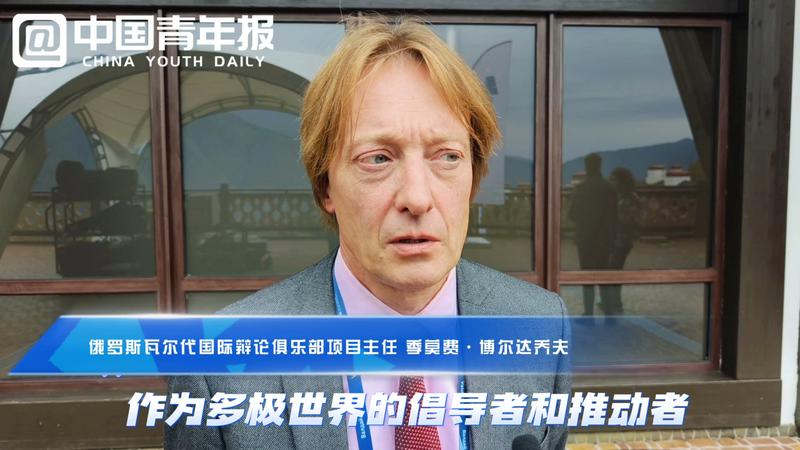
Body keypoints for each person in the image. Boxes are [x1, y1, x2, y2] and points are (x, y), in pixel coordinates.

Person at [166, 14, 571, 450]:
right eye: (378, 158)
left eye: (447, 156)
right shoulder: (219, 365)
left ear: (474, 176)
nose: (417, 198)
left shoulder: (541, 326)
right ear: (325, 186)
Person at [567, 153, 617, 316]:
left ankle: (588, 313)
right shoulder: (609, 188)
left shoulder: (582, 188)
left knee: (587, 277)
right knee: (604, 276)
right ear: (600, 165)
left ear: (587, 166)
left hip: (585, 239)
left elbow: (572, 214)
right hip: (605, 239)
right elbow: (615, 216)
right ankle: (608, 311)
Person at [601, 167, 643, 316]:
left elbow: (629, 220)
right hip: (618, 240)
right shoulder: (623, 197)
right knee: (613, 271)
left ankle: (615, 303)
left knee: (613, 271)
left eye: (614, 179)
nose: (611, 182)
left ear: (621, 181)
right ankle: (612, 302)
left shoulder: (629, 199)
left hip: (621, 241)